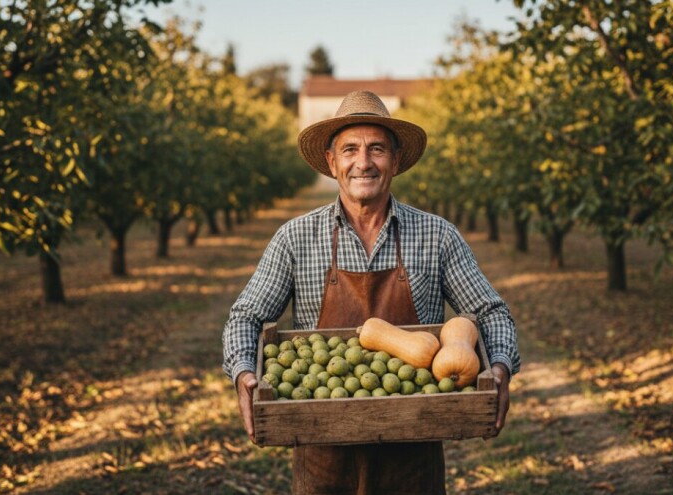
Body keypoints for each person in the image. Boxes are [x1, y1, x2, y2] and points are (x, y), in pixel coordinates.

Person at [222, 90, 519, 495]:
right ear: (332, 162)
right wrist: (243, 372)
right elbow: (247, 316)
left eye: (377, 149)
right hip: (322, 448)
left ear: (396, 160)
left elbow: (490, 313)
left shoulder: (436, 236)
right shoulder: (296, 238)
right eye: (350, 150)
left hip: (413, 445)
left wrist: (498, 367)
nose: (363, 162)